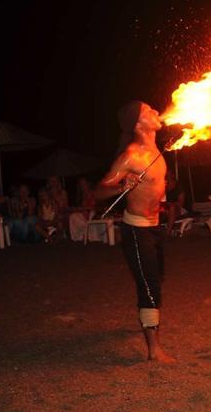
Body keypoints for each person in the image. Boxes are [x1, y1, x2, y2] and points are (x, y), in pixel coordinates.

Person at [94, 100, 175, 363]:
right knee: (149, 286)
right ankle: (154, 349)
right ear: (137, 124)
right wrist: (121, 187)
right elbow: (99, 190)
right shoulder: (131, 155)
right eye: (148, 111)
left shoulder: (158, 152)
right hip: (137, 230)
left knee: (156, 277)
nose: (155, 111)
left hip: (155, 227)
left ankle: (145, 316)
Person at [68, 178, 98, 242]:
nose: (82, 186)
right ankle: (78, 237)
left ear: (88, 184)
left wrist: (83, 209)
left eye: (84, 184)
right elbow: (79, 207)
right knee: (72, 216)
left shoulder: (93, 193)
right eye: (81, 185)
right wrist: (78, 209)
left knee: (91, 214)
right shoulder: (81, 195)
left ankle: (89, 236)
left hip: (91, 214)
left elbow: (93, 207)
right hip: (83, 214)